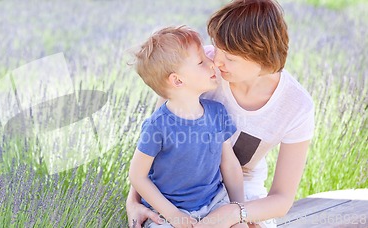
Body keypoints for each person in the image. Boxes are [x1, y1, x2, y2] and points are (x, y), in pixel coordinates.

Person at [126, 1, 315, 227]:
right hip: (176, 188)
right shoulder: (195, 66)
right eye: (216, 48)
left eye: (230, 58)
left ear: (263, 59)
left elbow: (281, 199)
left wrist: (237, 213)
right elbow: (152, 153)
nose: (215, 61)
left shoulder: (296, 106)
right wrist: (133, 201)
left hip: (240, 187)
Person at [128, 25, 247, 228]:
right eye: (201, 61)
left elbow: (229, 165)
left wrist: (239, 210)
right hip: (168, 209)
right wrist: (173, 215)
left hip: (213, 203)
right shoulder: (157, 126)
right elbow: (137, 176)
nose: (212, 63)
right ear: (177, 80)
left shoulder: (217, 113)